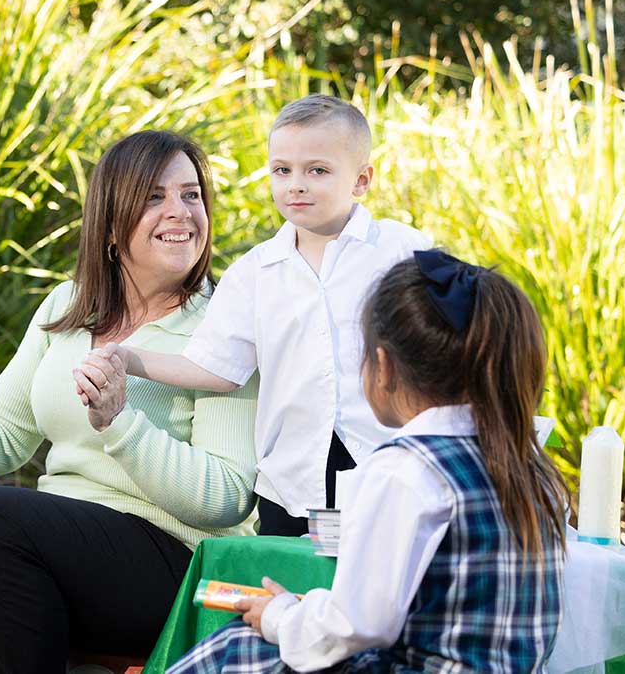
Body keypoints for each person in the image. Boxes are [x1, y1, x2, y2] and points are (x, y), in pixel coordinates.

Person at [0, 131, 260, 672]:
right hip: (64, 542)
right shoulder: (69, 305)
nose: (181, 212)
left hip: (182, 562)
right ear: (108, 225)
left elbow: (227, 497)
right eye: (154, 197)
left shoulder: (225, 327)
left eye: (191, 195)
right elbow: (3, 434)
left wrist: (121, 425)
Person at [168, 251, 568, 673]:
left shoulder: (407, 471)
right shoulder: (530, 467)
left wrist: (280, 615)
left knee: (240, 647)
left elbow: (356, 624)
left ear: (384, 367)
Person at [81, 94, 433, 536]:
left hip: (385, 461)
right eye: (282, 170)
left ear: (361, 180)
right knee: (288, 586)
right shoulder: (255, 272)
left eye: (317, 171)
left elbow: (456, 335)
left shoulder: (403, 251)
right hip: (292, 480)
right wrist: (130, 359)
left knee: (383, 583)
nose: (296, 185)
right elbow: (216, 368)